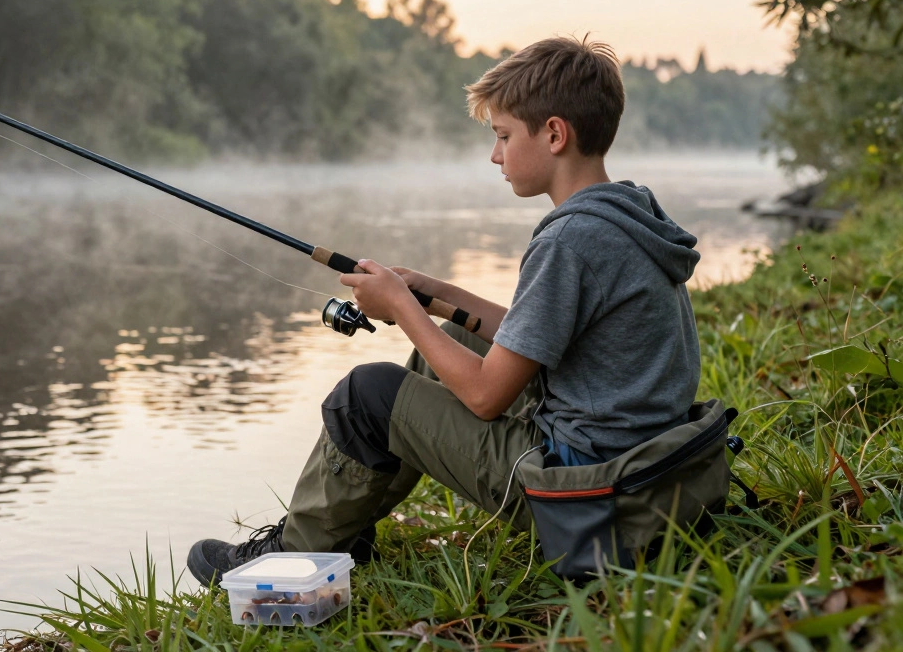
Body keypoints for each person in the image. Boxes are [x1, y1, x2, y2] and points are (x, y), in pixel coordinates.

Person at [186, 35, 702, 586]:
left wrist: (404, 308)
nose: (495, 154)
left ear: (554, 134)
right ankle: (343, 530)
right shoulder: (623, 214)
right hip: (637, 465)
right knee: (463, 345)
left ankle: (292, 563)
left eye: (504, 136)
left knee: (365, 396)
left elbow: (485, 398)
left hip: (582, 488)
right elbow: (536, 333)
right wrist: (438, 294)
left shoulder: (570, 241)